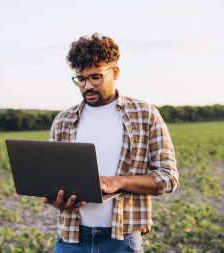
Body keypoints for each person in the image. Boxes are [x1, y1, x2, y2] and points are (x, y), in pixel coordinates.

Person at [42, 33, 178, 253]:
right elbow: (54, 179)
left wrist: (117, 182)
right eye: (80, 79)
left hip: (122, 241)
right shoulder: (63, 120)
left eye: (95, 77)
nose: (87, 86)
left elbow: (168, 178)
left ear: (115, 72)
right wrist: (57, 199)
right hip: (70, 239)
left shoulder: (146, 115)